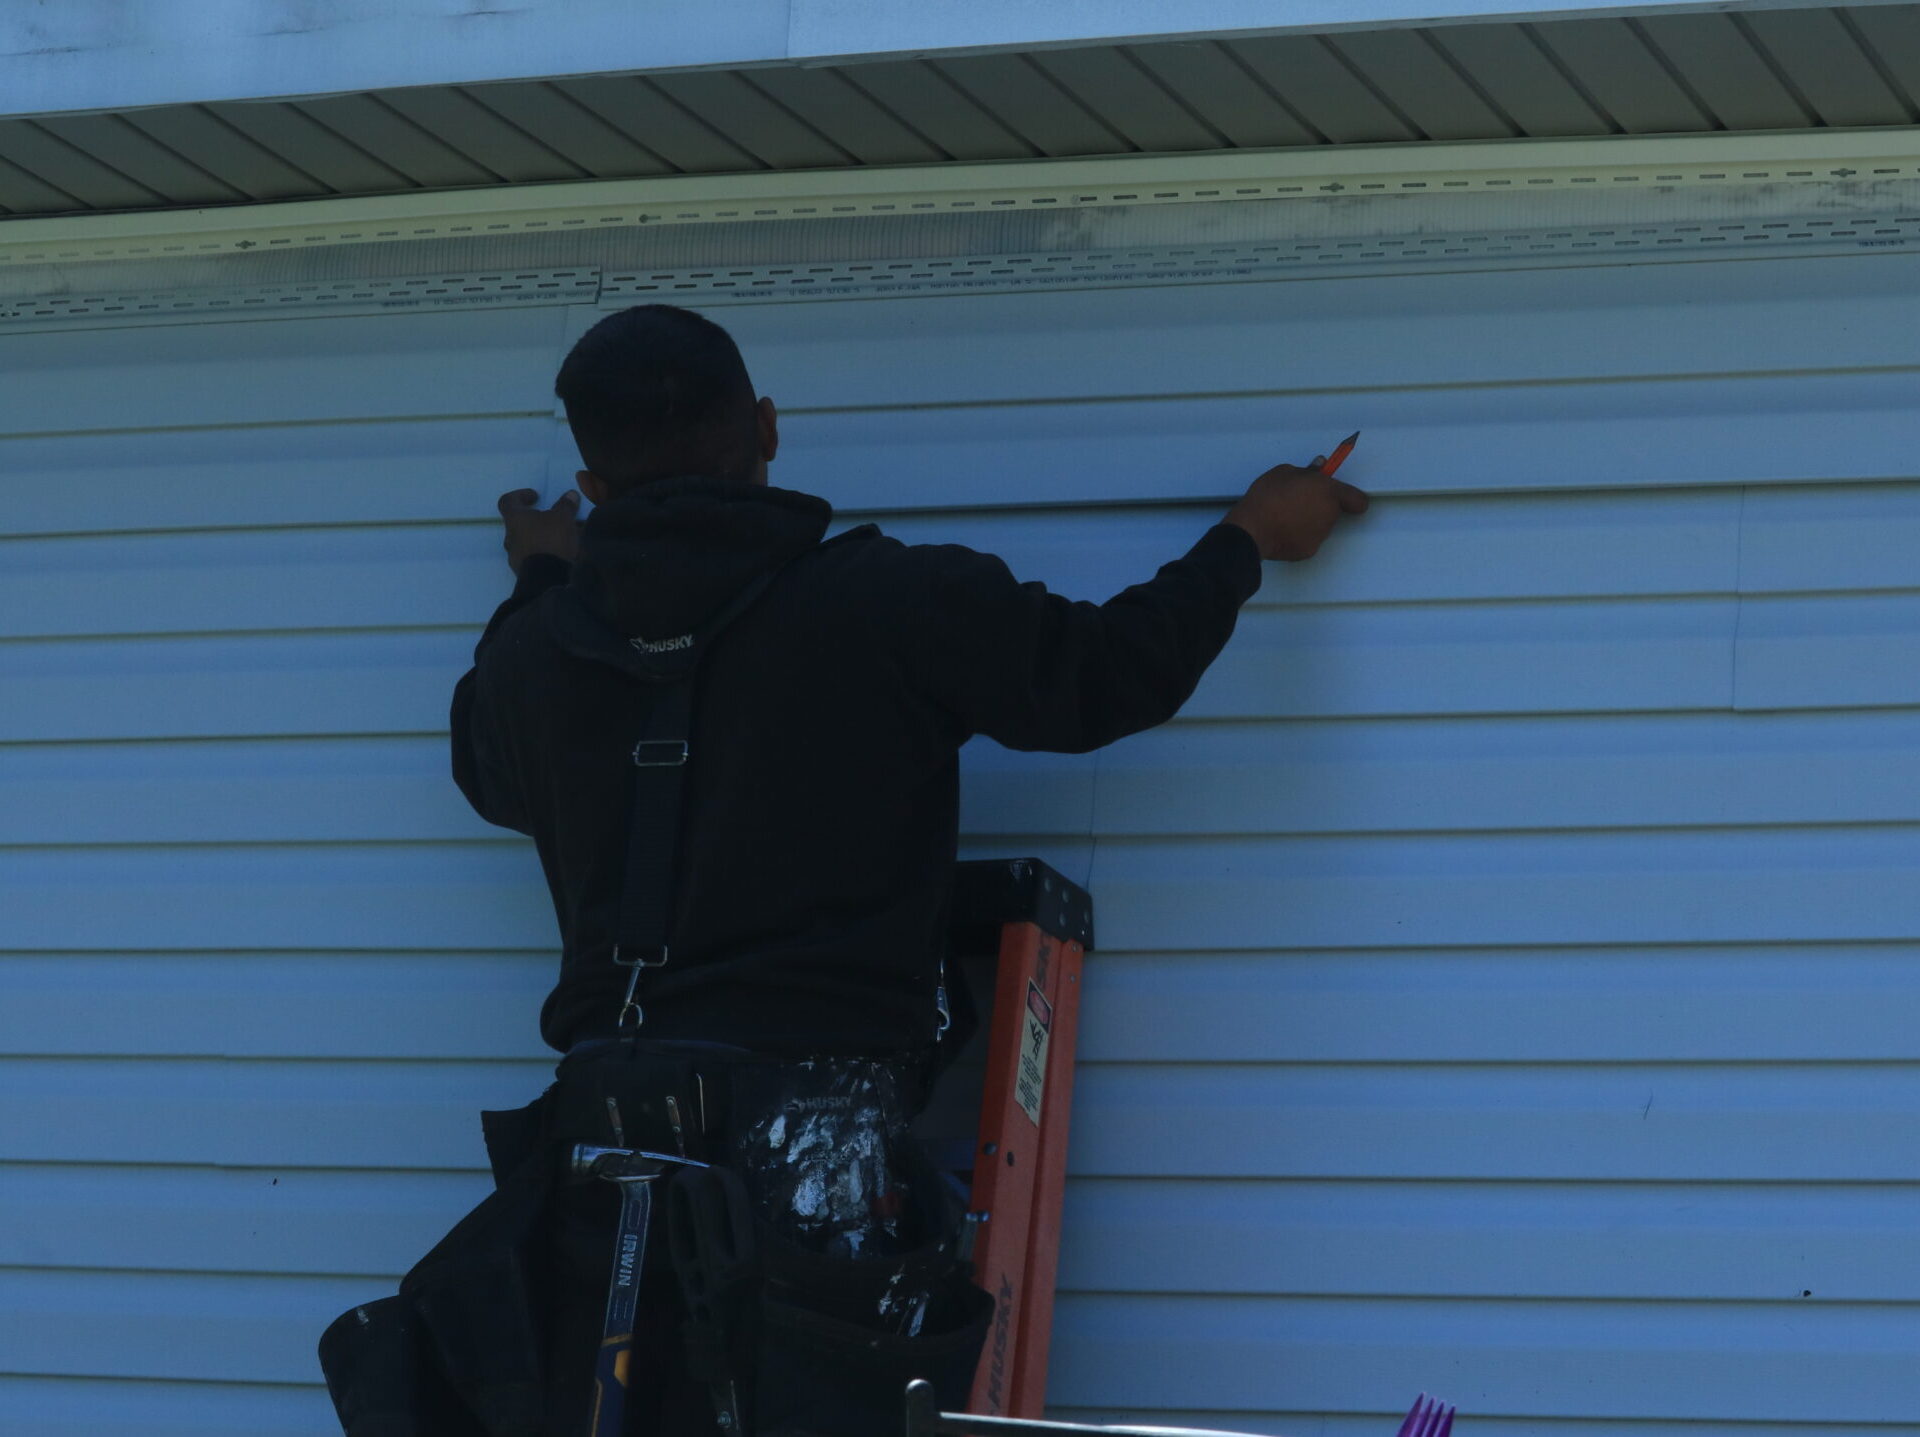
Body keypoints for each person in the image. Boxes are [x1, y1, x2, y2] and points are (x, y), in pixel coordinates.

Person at [322, 303, 1367, 1437]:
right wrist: (1250, 537)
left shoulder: (533, 658)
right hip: (819, 1141)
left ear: (594, 480)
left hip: (602, 1143)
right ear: (768, 426)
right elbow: (1104, 677)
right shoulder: (892, 601)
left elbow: (491, 769)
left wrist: (538, 583)